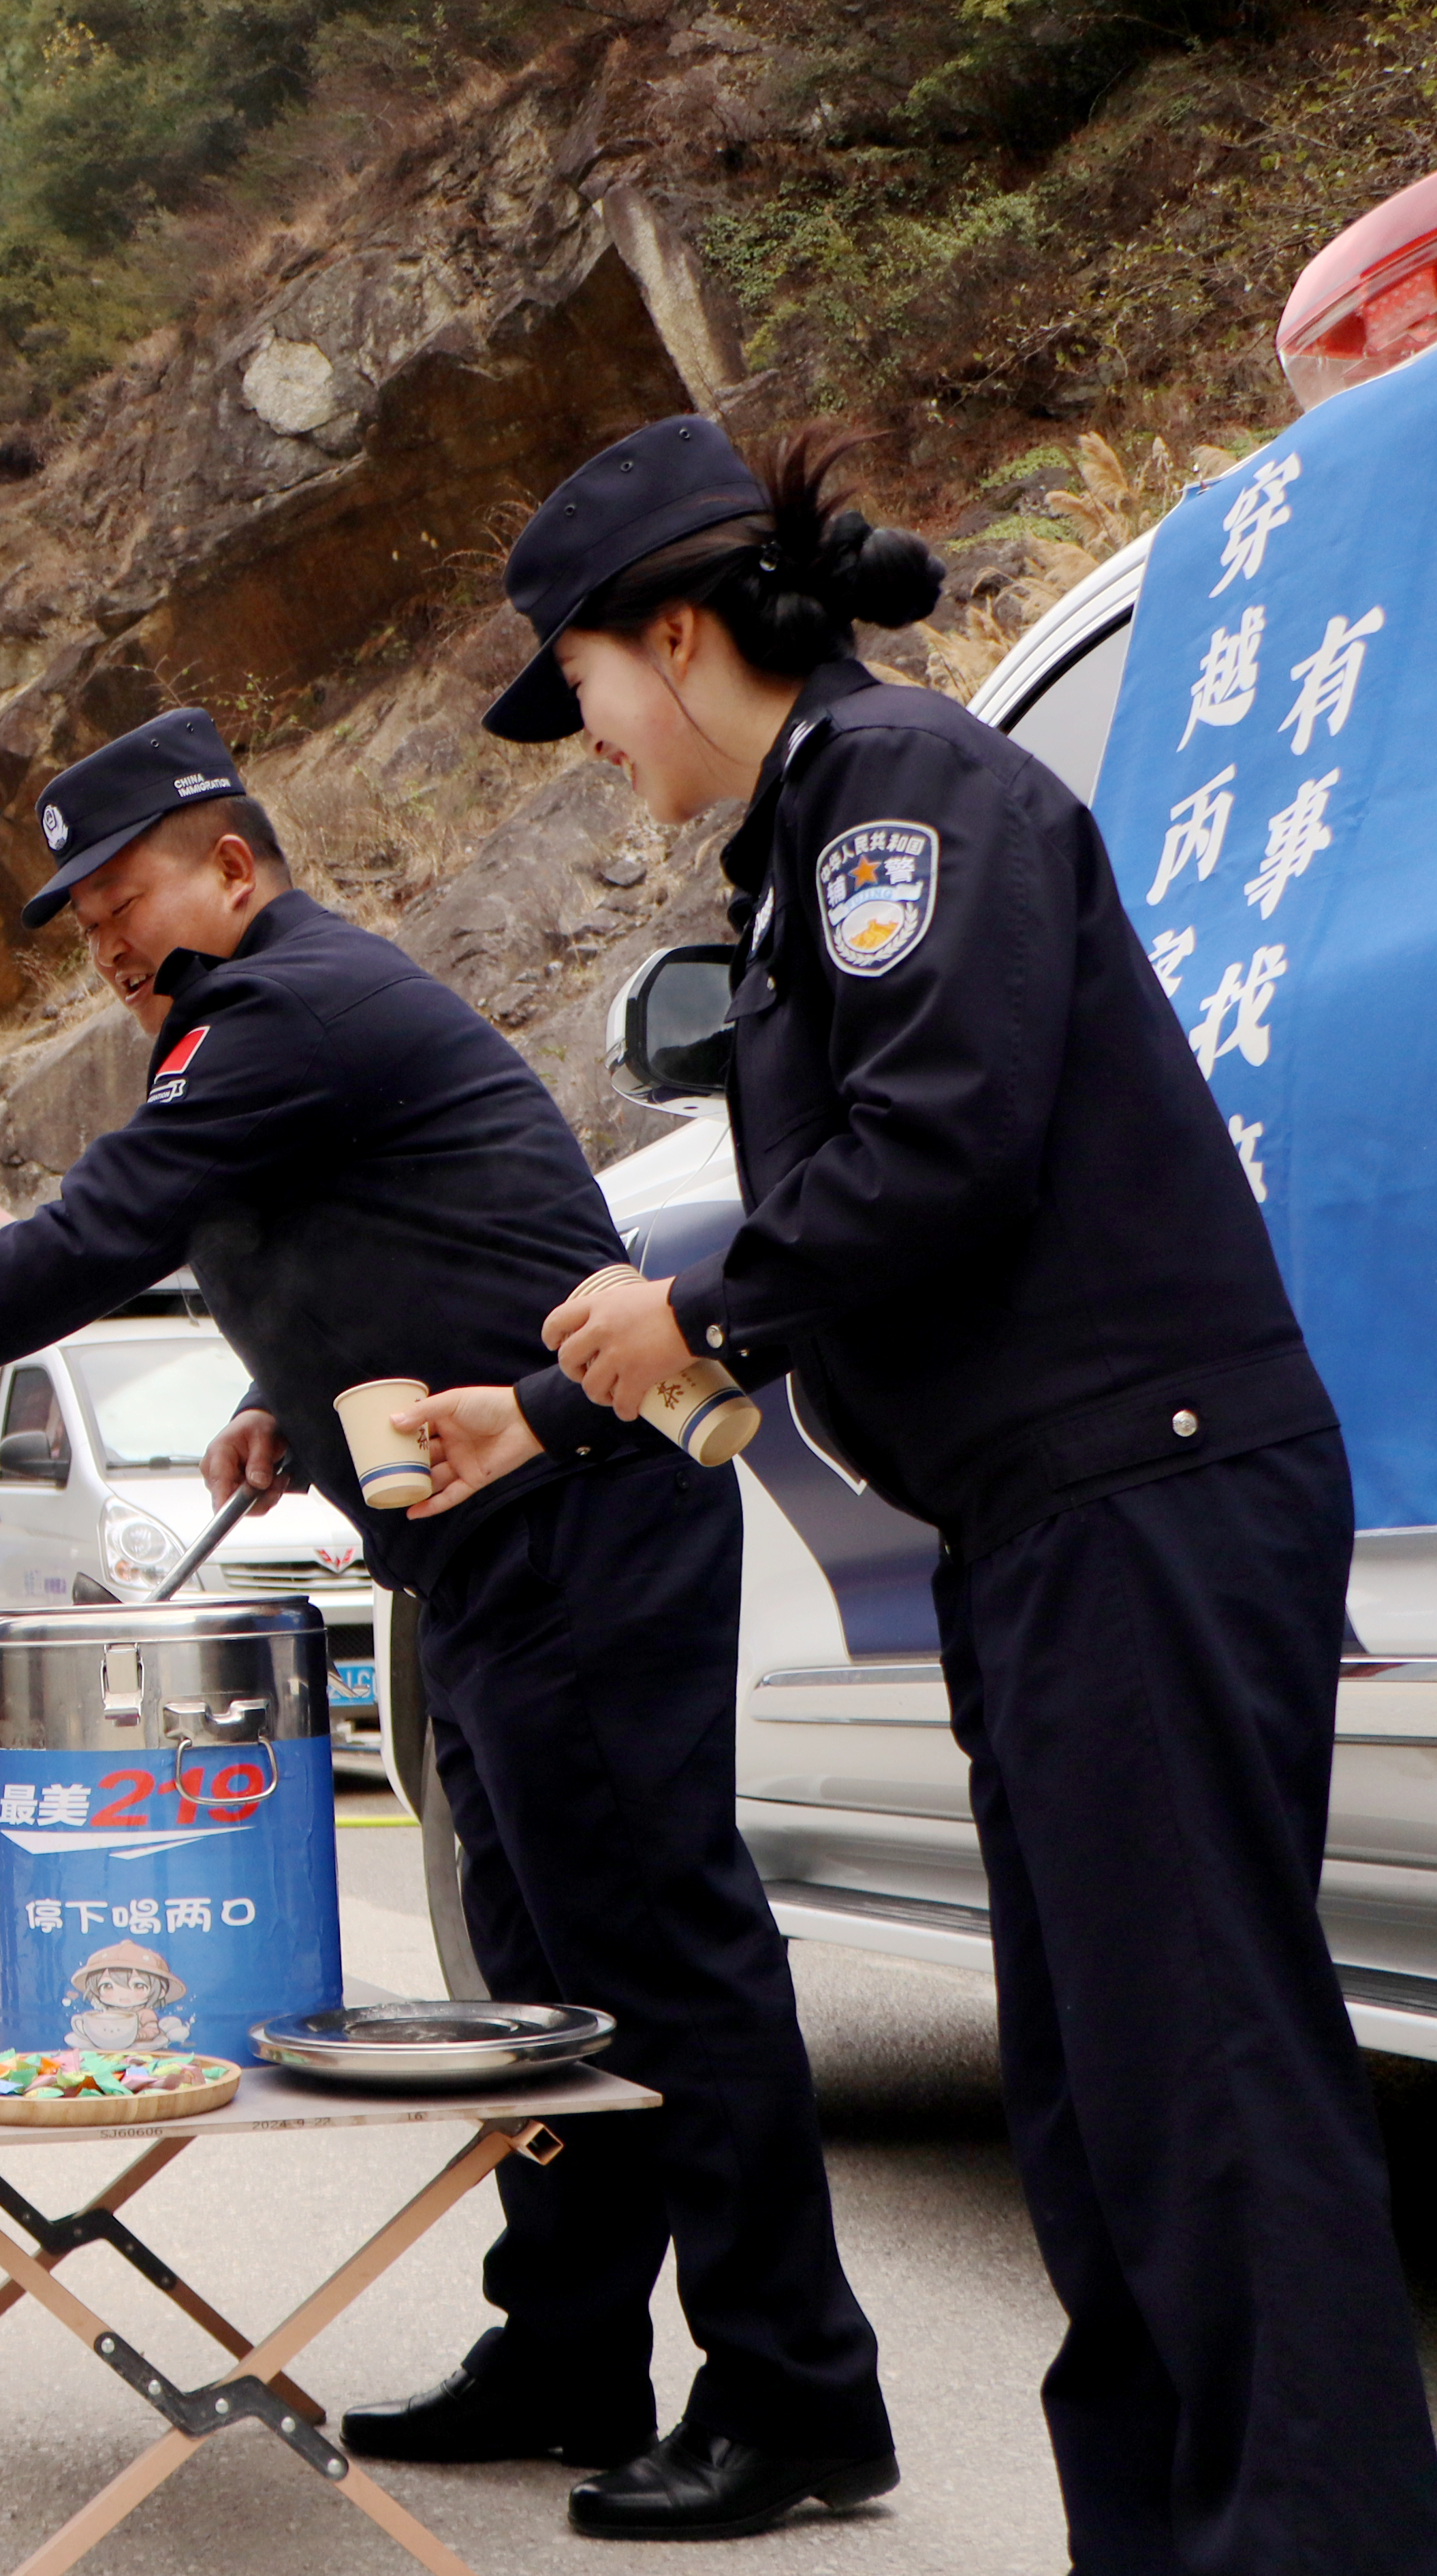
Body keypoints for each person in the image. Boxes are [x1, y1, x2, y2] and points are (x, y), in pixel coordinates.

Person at [0, 705, 897, 2541]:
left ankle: (796, 2394)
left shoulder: (290, 1007)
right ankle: (564, 2351)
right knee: (536, 1983)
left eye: (120, 891)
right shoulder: (245, 1027)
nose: (99, 934)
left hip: (582, 1525)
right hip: (479, 1548)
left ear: (230, 865)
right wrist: (285, 1393)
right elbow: (358, 1230)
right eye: (74, 911)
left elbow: (91, 1233)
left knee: (669, 1960)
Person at [484, 415, 1437, 2574]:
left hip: (1140, 1493)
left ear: (674, 630)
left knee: (1193, 2072)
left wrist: (700, 1317)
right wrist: (566, 1397)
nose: (592, 738)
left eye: (590, 686)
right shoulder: (830, 828)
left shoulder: (899, 796)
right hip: (1058, 1516)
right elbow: (880, 1178)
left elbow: (935, 1144)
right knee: (1101, 2106)